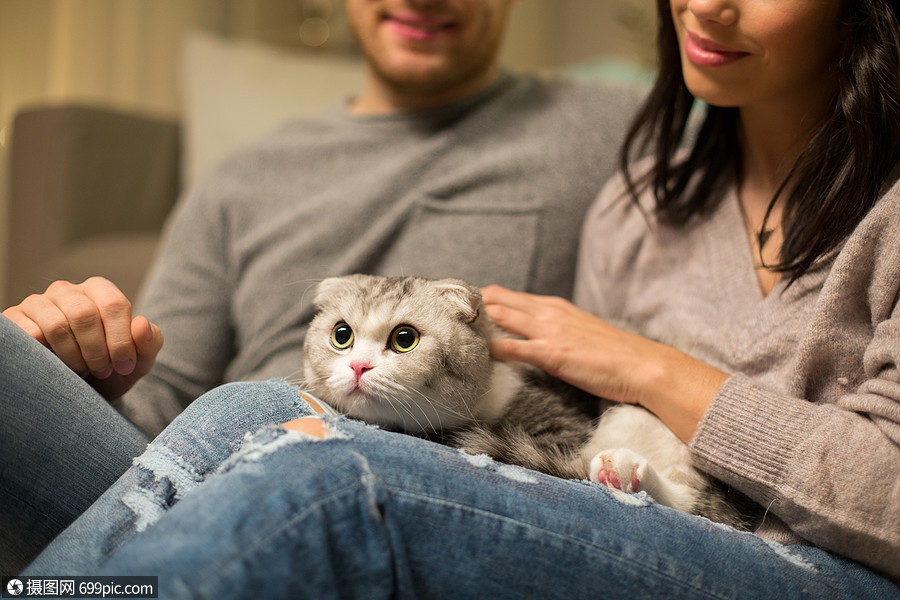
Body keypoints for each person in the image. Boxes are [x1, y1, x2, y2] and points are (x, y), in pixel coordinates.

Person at [20, 0, 900, 596]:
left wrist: (646, 366)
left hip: (348, 464)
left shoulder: (599, 136)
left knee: (295, 447)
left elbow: (592, 422)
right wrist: (79, 372)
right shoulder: (646, 199)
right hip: (223, 451)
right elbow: (163, 426)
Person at [0, 0, 642, 573]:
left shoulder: (608, 130)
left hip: (423, 484)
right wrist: (83, 367)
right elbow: (159, 402)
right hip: (196, 467)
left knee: (251, 412)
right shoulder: (242, 178)